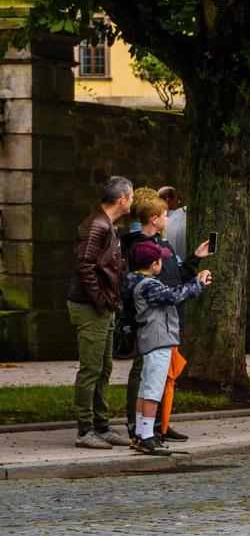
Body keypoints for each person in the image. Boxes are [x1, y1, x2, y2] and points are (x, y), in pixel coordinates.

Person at [120, 187, 212, 441]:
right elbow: (159, 291)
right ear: (154, 218)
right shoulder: (139, 249)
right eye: (164, 214)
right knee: (145, 375)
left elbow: (176, 276)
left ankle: (158, 424)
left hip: (170, 318)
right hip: (151, 322)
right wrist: (197, 285)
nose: (168, 218)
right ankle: (139, 426)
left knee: (162, 376)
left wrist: (195, 258)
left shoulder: (162, 244)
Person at [66, 176, 134, 450]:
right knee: (91, 369)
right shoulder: (96, 225)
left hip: (103, 306)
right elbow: (84, 267)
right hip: (90, 307)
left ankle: (101, 426)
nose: (132, 200)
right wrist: (101, 300)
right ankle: (85, 430)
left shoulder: (108, 226)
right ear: (123, 199)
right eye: (131, 196)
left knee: (104, 368)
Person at [157, 186, 188, 254]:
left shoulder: (153, 215)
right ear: (168, 200)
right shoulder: (175, 216)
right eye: (176, 199)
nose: (178, 202)